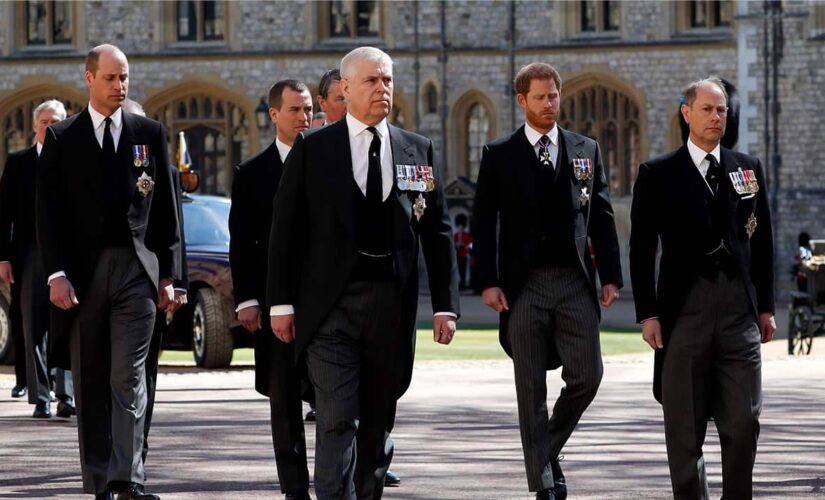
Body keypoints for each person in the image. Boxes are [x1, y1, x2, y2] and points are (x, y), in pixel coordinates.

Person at [267, 46, 459, 499]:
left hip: (391, 306)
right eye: (372, 81)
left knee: (377, 421)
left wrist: (446, 306)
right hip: (330, 307)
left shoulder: (417, 149)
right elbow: (285, 229)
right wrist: (280, 303)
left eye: (388, 80)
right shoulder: (313, 148)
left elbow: (438, 232)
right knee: (337, 418)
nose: (382, 89)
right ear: (346, 89)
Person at [471, 62, 622, 500]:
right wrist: (487, 282)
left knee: (588, 376)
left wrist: (610, 275)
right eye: (539, 97)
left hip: (574, 281)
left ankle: (544, 453)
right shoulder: (499, 155)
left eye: (553, 96)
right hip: (523, 288)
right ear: (522, 101)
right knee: (530, 390)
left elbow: (603, 215)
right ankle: (544, 485)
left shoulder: (584, 149)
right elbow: (483, 224)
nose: (549, 103)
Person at [36, 44, 181, 500]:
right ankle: (100, 479)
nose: (120, 86)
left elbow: (168, 212)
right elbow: (48, 214)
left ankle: (129, 478)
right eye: (112, 78)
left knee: (129, 376)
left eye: (125, 78)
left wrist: (170, 274)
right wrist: (56, 273)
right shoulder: (62, 137)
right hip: (83, 275)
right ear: (89, 79)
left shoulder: (149, 132)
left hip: (137, 270)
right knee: (92, 376)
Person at [629, 77, 775, 499]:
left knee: (744, 421)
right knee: (685, 426)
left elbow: (761, 243)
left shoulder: (748, 168)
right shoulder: (657, 174)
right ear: (686, 112)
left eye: (722, 110)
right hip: (683, 311)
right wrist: (649, 312)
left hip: (737, 311)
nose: (717, 117)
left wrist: (764, 307)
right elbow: (641, 249)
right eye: (708, 109)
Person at [229, 79, 313, 500]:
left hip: (322, 302)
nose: (303, 117)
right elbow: (241, 240)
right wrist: (247, 298)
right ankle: (295, 488)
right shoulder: (252, 174)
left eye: (308, 109)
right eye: (294, 110)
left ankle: (339, 478)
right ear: (274, 114)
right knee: (284, 400)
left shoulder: (329, 163)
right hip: (272, 299)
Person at [119, 98, 189, 474]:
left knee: (144, 375)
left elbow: (174, 233)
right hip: (111, 287)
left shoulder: (165, 172)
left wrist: (176, 283)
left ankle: (137, 448)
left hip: (150, 289)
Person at [0, 99, 75, 418]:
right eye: (44, 121)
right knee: (33, 325)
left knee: (67, 323)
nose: (50, 125)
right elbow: (3, 215)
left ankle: (66, 394)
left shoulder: (75, 161)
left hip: (68, 254)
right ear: (34, 126)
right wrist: (3, 257)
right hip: (30, 253)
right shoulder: (18, 162)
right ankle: (41, 396)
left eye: (56, 121)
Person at [453, 214, 472, 290]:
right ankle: (461, 282)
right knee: (459, 269)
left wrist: (464, 245)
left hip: (464, 254)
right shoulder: (455, 235)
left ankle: (464, 282)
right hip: (458, 254)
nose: (460, 227)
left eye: (461, 226)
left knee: (464, 269)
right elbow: (452, 244)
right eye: (459, 226)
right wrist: (456, 245)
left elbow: (470, 245)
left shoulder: (467, 235)